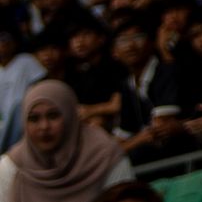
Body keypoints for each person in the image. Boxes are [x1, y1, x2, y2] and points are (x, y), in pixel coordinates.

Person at [2, 80, 131, 202]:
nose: (44, 126)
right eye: (34, 119)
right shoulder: (11, 167)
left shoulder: (105, 157)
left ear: (70, 116)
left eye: (53, 116)